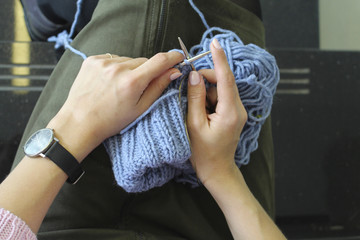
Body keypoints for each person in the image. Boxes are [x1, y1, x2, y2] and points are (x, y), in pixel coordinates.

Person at [1, 0, 283, 239]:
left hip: (60, 225)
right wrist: (222, 173)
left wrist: (78, 119)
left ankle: (51, 16)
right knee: (226, 12)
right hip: (215, 219)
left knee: (144, 16)